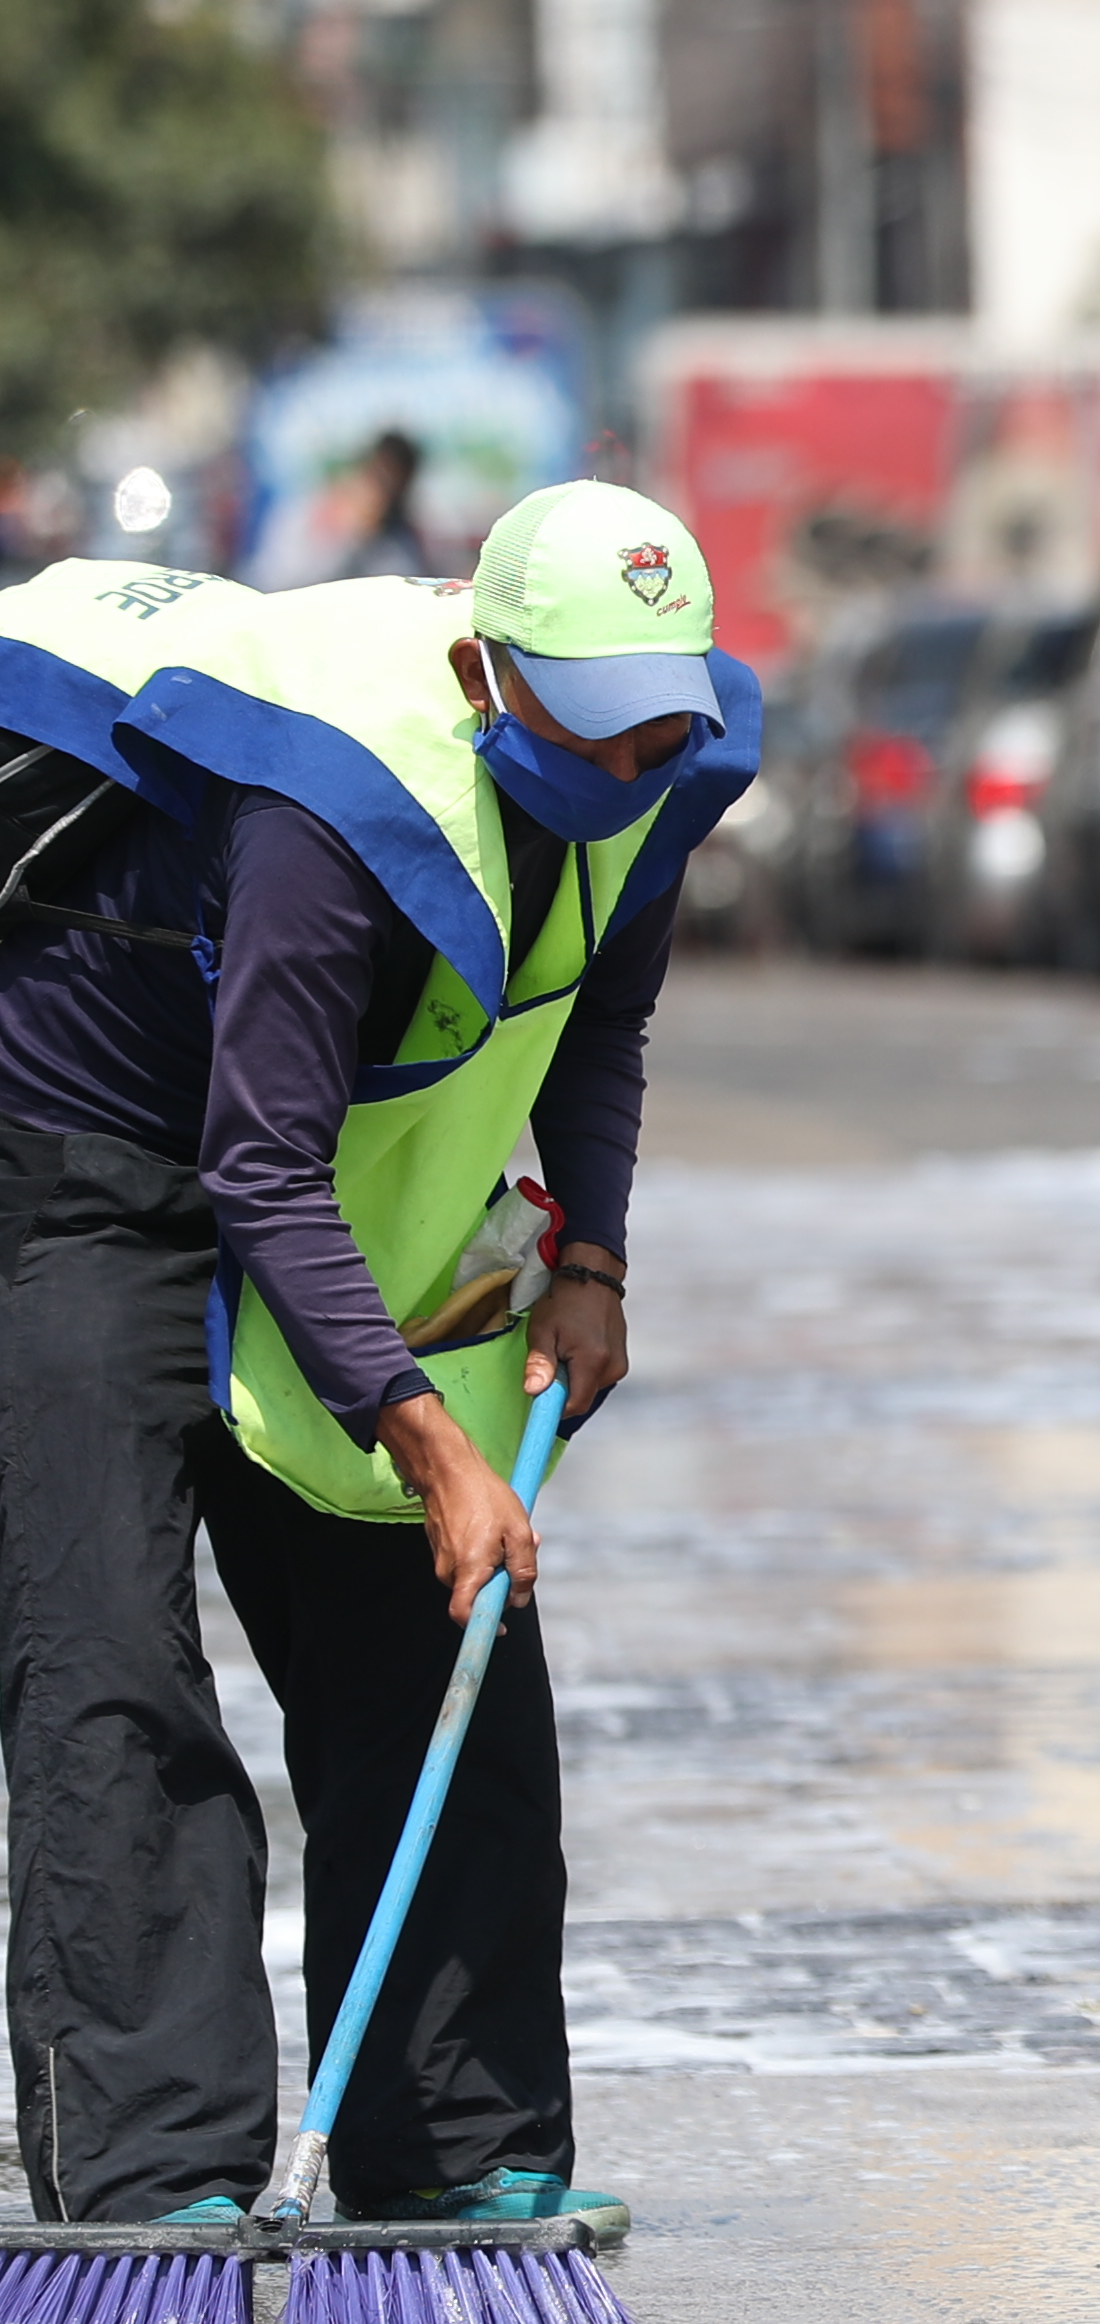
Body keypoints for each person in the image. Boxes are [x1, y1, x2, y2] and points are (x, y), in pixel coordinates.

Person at [1, 488, 754, 2235]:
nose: (627, 759)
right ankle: (154, 2169)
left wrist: (591, 1259)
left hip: (349, 1168)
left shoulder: (660, 771)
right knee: (109, 1654)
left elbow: (598, 1015)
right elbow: (254, 1163)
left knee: (436, 1630)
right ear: (486, 669)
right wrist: (432, 1441)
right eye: (589, 719)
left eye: (658, 723)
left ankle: (453, 2138)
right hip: (88, 1156)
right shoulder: (332, 810)